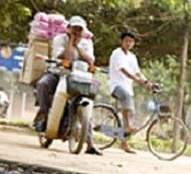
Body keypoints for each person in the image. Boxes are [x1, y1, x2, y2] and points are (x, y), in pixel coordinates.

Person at [34, 16, 100, 154]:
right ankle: (45, 116)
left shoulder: (87, 43)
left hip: (78, 77)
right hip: (58, 74)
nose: (76, 31)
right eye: (74, 28)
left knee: (86, 103)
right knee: (43, 84)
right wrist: (70, 41)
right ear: (68, 28)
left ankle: (90, 144)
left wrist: (77, 45)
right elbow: (66, 57)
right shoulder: (59, 39)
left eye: (79, 29)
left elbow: (90, 60)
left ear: (83, 31)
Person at [108, 30, 154, 154]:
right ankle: (128, 127)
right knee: (127, 98)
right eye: (126, 41)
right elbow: (123, 70)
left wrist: (148, 83)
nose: (128, 43)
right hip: (116, 86)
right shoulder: (117, 53)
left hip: (128, 88)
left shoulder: (132, 57)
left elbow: (138, 72)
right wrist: (136, 79)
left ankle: (124, 143)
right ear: (121, 41)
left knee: (129, 112)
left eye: (131, 41)